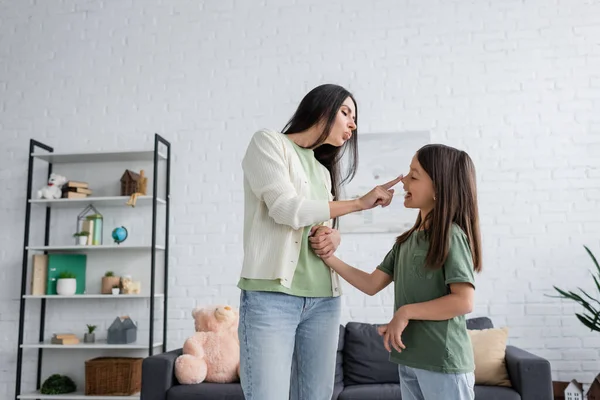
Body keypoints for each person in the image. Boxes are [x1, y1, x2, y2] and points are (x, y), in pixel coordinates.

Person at [237, 83, 403, 400]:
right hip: (272, 298)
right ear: (322, 108)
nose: (353, 124)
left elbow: (319, 225)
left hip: (324, 301)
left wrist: (333, 235)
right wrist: (358, 203)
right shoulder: (268, 143)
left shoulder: (322, 170)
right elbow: (286, 209)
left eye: (355, 117)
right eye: (346, 112)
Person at [315, 144, 482, 400]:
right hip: (410, 360)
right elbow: (371, 284)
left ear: (439, 188)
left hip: (443, 363)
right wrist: (328, 257)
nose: (404, 181)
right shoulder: (407, 241)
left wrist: (405, 313)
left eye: (414, 176)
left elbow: (464, 301)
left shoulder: (451, 236)